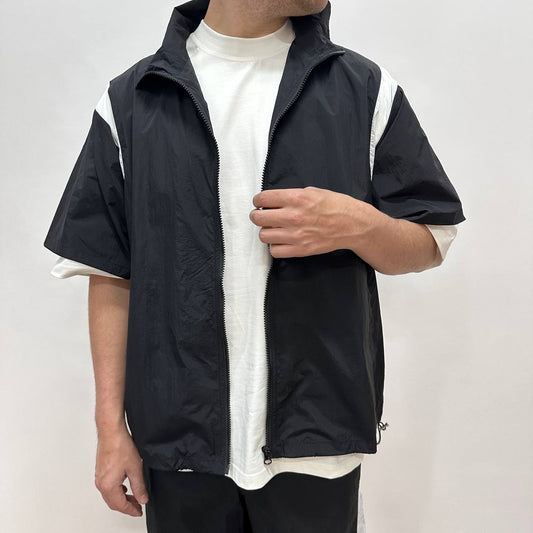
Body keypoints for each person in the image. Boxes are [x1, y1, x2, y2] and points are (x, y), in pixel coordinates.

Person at [43, 0, 466, 531]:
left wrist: (357, 224)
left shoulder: (363, 89)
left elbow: (431, 240)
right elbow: (109, 271)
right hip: (180, 445)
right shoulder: (132, 101)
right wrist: (110, 429)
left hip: (315, 439)